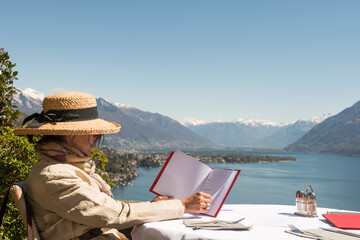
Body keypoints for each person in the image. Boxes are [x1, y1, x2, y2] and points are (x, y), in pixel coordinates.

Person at [14, 92, 212, 240]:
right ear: (68, 135)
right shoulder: (54, 175)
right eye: (93, 133)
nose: (97, 139)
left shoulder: (61, 168)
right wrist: (182, 206)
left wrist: (152, 207)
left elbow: (100, 209)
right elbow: (112, 214)